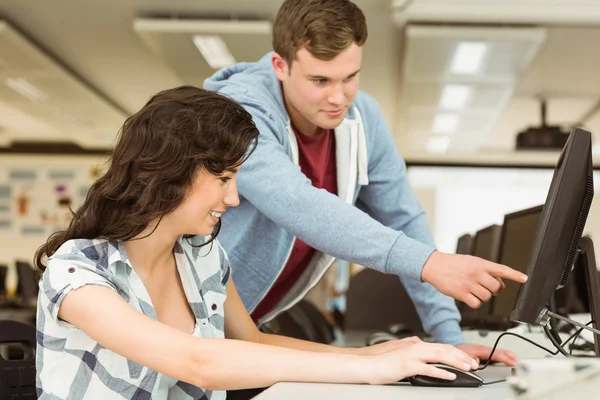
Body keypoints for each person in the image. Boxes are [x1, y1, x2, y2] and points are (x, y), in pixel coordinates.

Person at [34, 86, 479, 400]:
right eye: (224, 179)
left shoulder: (202, 257)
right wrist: (368, 369)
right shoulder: (78, 273)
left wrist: (369, 355)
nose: (233, 197)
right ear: (170, 170)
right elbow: (196, 362)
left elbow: (252, 342)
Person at [204, 0, 525, 366]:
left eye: (350, 77)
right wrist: (429, 263)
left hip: (245, 328)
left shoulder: (363, 119)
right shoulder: (238, 112)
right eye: (320, 80)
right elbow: (295, 203)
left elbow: (403, 218)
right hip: (186, 319)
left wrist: (449, 338)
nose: (338, 98)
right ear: (281, 65)